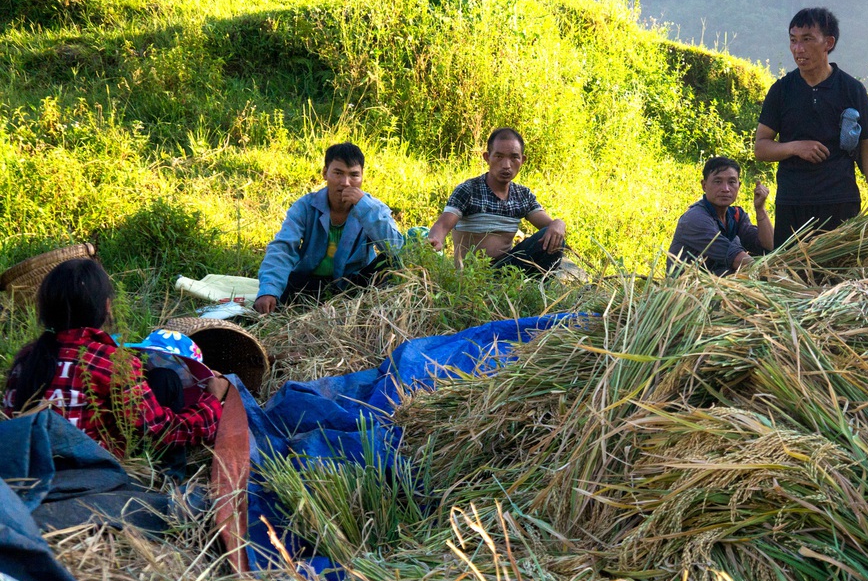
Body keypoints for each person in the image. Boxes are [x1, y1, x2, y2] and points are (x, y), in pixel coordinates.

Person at [3, 259, 229, 460]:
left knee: (164, 378)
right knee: (166, 382)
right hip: (89, 471)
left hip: (27, 467)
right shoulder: (110, 361)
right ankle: (170, 477)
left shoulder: (26, 358)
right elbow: (163, 432)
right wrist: (211, 400)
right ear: (107, 306)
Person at [755, 7, 868, 246]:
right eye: (793, 40)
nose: (798, 49)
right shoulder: (782, 90)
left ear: (828, 43)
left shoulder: (851, 89)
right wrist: (795, 147)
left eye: (807, 40)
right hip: (792, 202)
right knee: (791, 280)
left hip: (840, 200)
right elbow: (761, 148)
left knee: (838, 280)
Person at [255, 142, 405, 314]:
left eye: (354, 175)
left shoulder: (373, 208)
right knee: (274, 297)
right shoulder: (305, 206)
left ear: (363, 177)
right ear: (325, 173)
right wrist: (269, 290)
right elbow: (283, 248)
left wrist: (364, 208)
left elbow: (396, 249)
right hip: (308, 284)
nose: (345, 183)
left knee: (390, 263)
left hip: (354, 287)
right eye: (338, 173)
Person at [426, 127, 567, 275]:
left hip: (507, 271)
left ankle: (536, 291)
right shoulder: (468, 190)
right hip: (472, 275)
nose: (506, 165)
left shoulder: (523, 195)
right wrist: (435, 240)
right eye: (499, 156)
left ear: (522, 160)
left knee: (555, 238)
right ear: (487, 157)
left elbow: (549, 227)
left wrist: (558, 224)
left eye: (514, 157)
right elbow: (442, 224)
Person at [668, 157, 774, 276]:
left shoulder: (736, 215)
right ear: (704, 185)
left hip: (721, 284)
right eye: (718, 182)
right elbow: (735, 257)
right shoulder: (695, 219)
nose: (726, 189)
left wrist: (760, 209)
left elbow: (767, 247)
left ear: (739, 185)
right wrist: (771, 275)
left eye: (732, 182)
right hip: (690, 289)